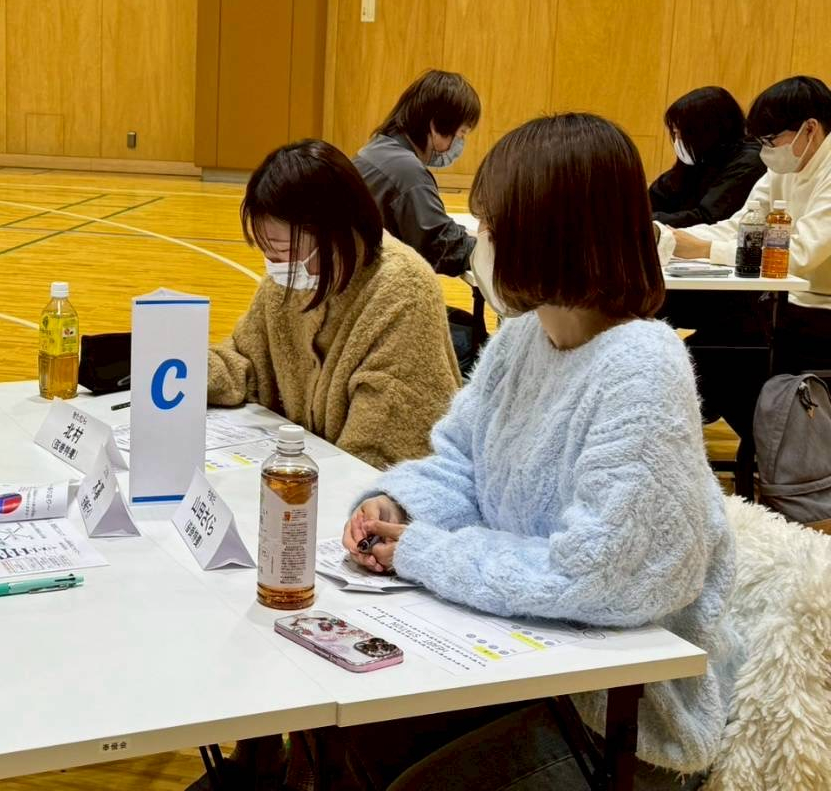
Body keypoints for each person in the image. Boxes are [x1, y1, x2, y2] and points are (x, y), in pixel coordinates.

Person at [337, 113, 738, 790]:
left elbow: (606, 578)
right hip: (523, 658)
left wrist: (424, 551)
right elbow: (460, 461)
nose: (479, 243)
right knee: (353, 731)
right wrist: (398, 507)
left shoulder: (642, 369)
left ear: (550, 236)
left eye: (491, 227)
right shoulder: (525, 338)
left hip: (621, 717)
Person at [209, 139, 461, 470]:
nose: (275, 266)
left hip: (377, 488)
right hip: (316, 472)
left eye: (283, 252)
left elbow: (382, 451)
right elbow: (246, 363)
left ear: (335, 233)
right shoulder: (288, 283)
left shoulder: (403, 291)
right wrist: (185, 370)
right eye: (267, 253)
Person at [659, 75, 831, 437]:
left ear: (810, 129)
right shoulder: (785, 167)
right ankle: (761, 446)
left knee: (721, 354)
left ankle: (772, 448)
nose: (765, 151)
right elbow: (740, 227)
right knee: (705, 351)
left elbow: (801, 253)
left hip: (819, 311)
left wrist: (706, 249)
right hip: (785, 303)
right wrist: (672, 238)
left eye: (771, 140)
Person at [353, 70, 484, 373]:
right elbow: (444, 248)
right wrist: (492, 245)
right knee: (476, 345)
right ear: (436, 125)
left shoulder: (378, 149)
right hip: (373, 312)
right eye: (461, 134)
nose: (460, 143)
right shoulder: (407, 172)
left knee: (463, 323)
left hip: (363, 300)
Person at [650, 86, 766, 228]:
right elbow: (658, 194)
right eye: (675, 132)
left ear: (706, 131)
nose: (678, 140)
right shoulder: (702, 155)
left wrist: (648, 220)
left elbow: (709, 217)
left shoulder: (747, 162)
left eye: (682, 133)